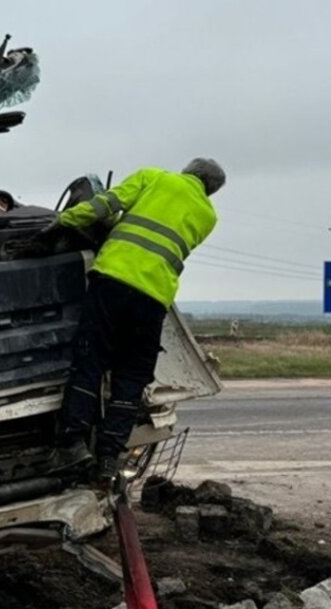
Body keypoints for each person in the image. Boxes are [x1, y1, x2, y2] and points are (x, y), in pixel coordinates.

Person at [47, 158, 226, 488]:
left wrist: (63, 221)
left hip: (113, 281)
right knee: (130, 379)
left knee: (91, 360)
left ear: (187, 169)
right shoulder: (208, 216)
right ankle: (108, 460)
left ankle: (72, 446)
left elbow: (104, 205)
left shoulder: (154, 177)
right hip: (154, 299)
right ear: (210, 190)